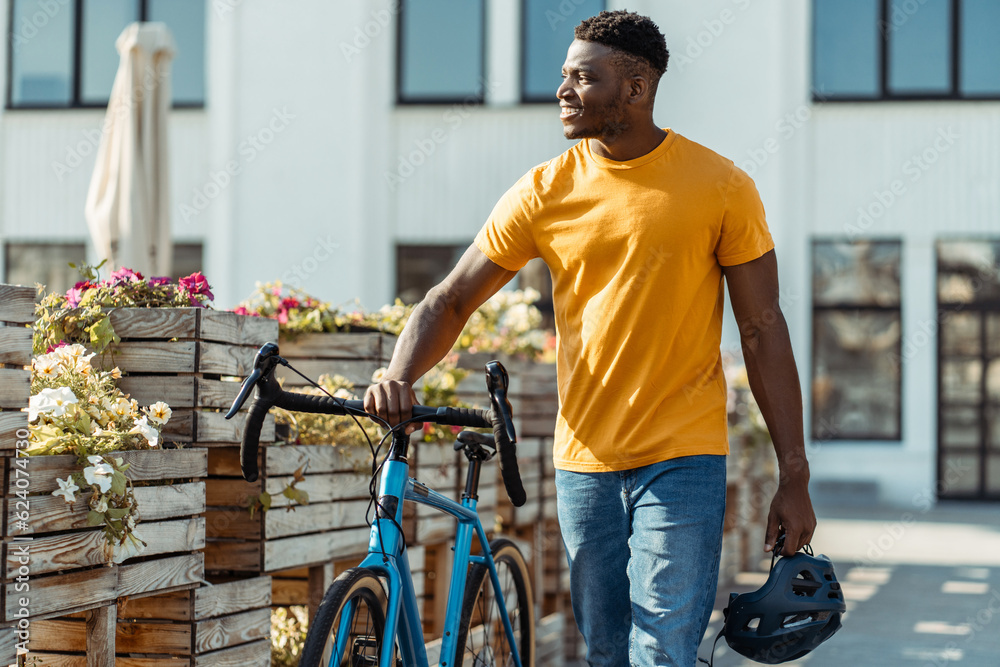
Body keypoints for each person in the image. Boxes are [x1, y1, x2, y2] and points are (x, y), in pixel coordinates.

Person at [365, 10, 815, 666]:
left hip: (684, 456)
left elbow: (763, 329)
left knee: (662, 651)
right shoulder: (545, 190)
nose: (563, 90)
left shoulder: (720, 187)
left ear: (634, 89)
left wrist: (794, 474)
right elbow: (452, 297)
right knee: (606, 651)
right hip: (583, 462)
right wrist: (398, 373)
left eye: (583, 77)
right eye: (563, 75)